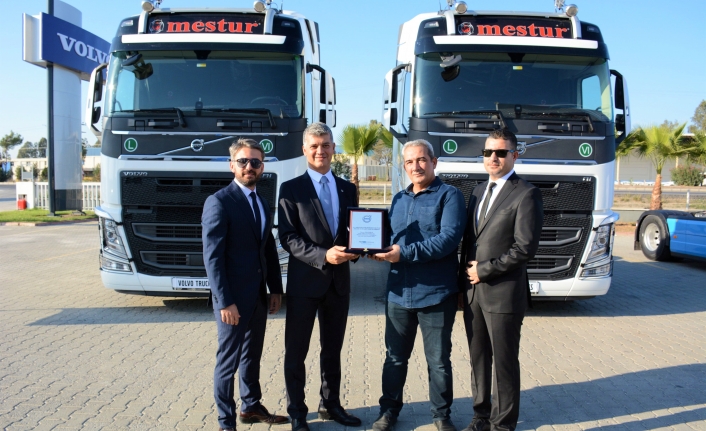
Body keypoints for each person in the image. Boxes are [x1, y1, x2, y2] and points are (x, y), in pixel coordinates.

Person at [370, 139, 467, 431]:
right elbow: (388, 235)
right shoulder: (399, 199)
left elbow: (448, 239)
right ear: (404, 166)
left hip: (435, 294)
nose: (416, 166)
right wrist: (369, 247)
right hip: (398, 293)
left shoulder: (450, 196)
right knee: (394, 358)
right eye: (410, 162)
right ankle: (388, 411)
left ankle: (441, 415)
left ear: (434, 162)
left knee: (438, 360)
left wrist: (403, 253)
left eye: (422, 160)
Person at [277, 122, 361, 431]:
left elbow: (354, 231)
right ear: (304, 150)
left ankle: (330, 404)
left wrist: (359, 249)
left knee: (332, 350)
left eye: (325, 145)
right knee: (296, 351)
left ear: (333, 148)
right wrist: (323, 256)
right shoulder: (291, 189)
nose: (320, 151)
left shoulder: (348, 188)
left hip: (338, 285)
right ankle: (297, 412)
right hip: (305, 283)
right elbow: (288, 237)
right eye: (314, 146)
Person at [458, 128, 543, 431]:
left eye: (501, 152)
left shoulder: (526, 193)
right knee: (478, 359)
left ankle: (503, 424)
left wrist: (485, 270)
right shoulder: (478, 191)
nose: (493, 157)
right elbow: (471, 241)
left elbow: (524, 248)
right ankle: (481, 416)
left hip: (503, 294)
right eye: (488, 152)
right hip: (473, 294)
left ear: (514, 155)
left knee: (504, 363)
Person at [202, 138, 288, 430]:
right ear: (232, 165)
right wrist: (224, 301)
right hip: (233, 301)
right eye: (243, 161)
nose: (249, 166)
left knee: (252, 356)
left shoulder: (261, 202)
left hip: (259, 297)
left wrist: (275, 289)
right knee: (228, 362)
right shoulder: (219, 202)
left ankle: (250, 406)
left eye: (255, 162)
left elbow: (267, 248)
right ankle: (226, 422)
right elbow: (213, 258)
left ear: (262, 167)